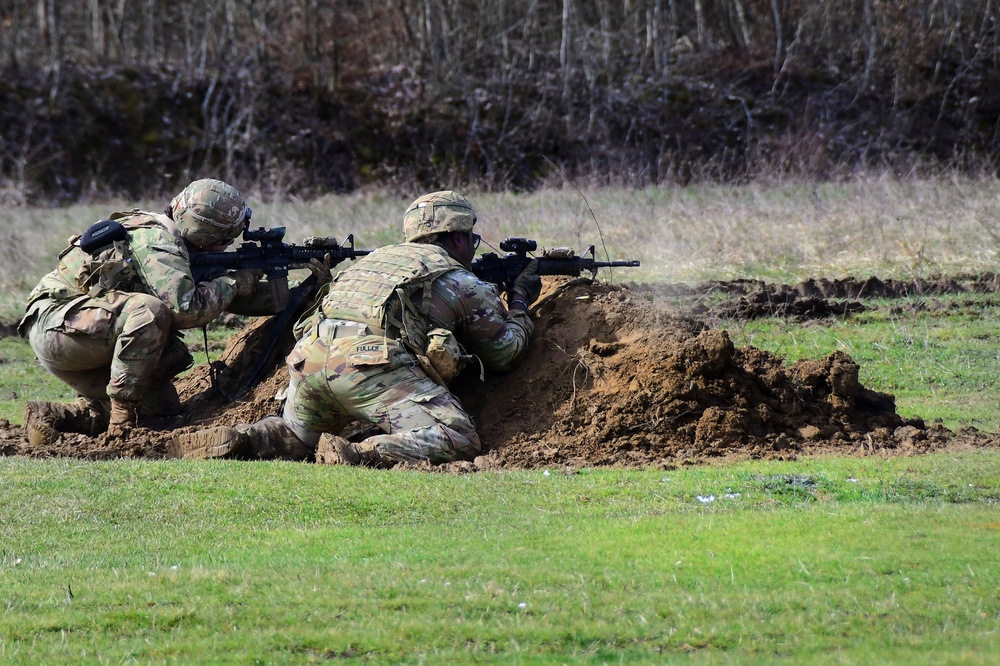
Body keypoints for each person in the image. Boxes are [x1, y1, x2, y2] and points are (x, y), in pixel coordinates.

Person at [169, 190, 541, 466]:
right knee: (458, 436)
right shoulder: (461, 280)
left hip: (309, 361)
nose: (472, 248)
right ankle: (361, 451)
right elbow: (504, 352)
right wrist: (521, 301)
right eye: (471, 239)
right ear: (458, 237)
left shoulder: (375, 260)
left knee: (297, 435)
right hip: (370, 366)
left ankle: (243, 438)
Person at [19, 178, 325, 444]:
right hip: (58, 327)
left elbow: (239, 299)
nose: (227, 247)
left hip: (86, 334)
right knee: (149, 311)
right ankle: (121, 427)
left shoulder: (181, 246)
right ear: (205, 235)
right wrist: (232, 283)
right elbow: (187, 309)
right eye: (225, 240)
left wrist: (308, 285)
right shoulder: (158, 242)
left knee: (161, 415)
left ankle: (56, 416)